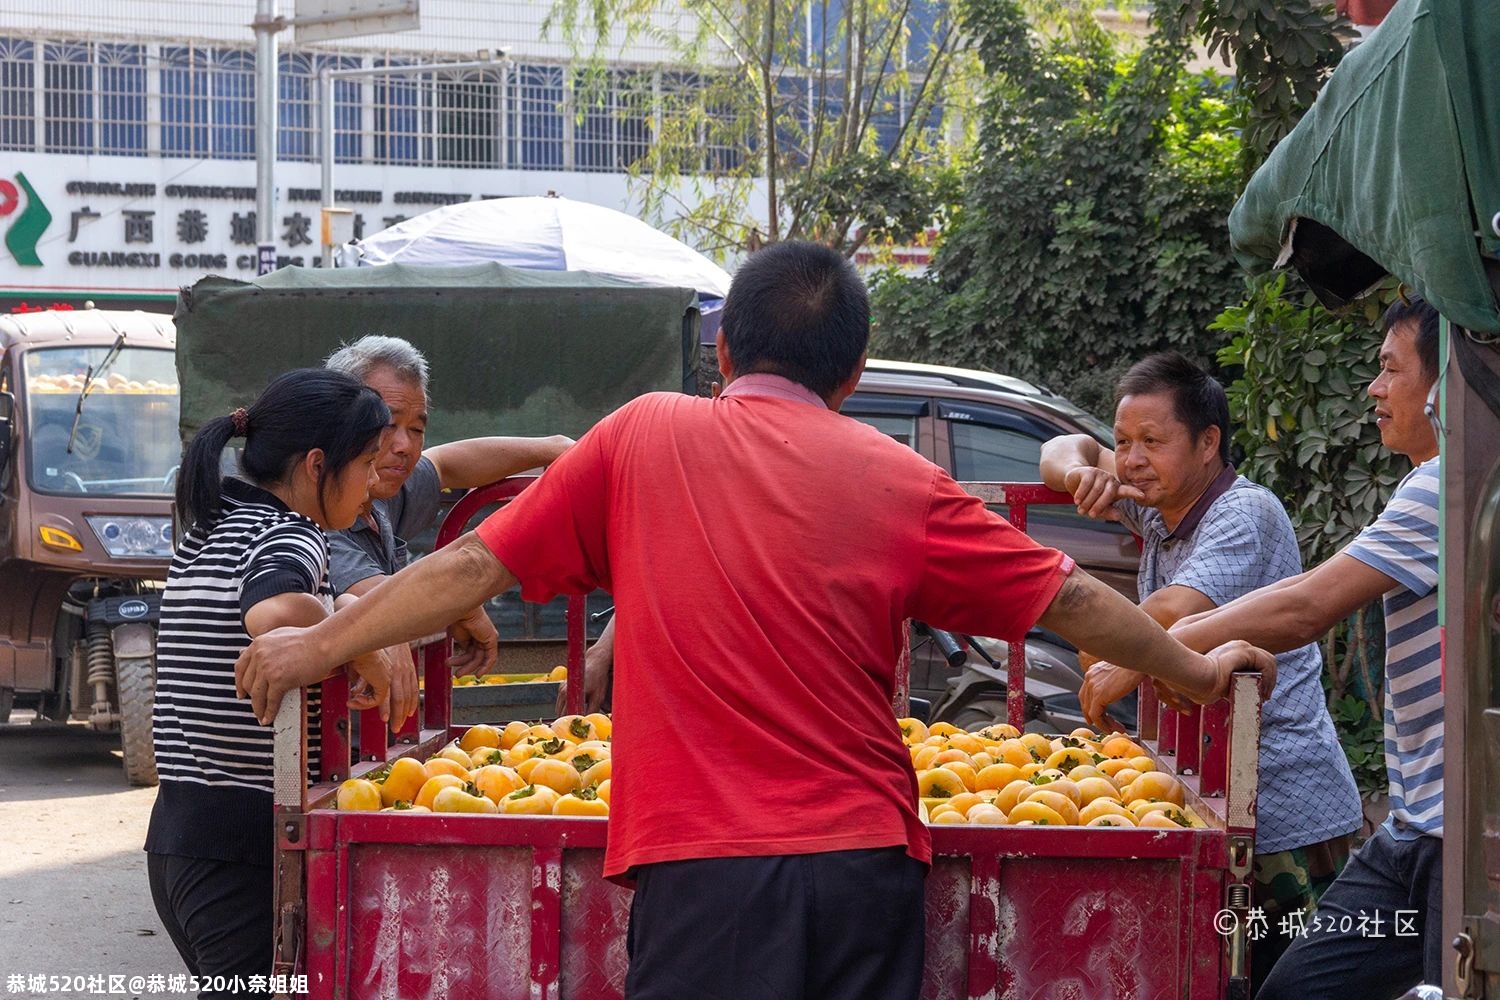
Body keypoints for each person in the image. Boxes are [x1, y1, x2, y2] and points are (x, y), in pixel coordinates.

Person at [234, 241, 1276, 1000]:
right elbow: (1073, 600)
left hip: (708, 877)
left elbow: (469, 564)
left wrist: (321, 641)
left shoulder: (642, 436)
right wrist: (1188, 672)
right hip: (868, 871)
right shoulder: (901, 479)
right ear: (854, 375)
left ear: (723, 350)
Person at [1039, 351, 1364, 991]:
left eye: (1150, 442)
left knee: (1297, 983)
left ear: (1208, 442)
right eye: (1123, 442)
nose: (1130, 460)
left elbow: (1165, 617)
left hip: (1281, 808)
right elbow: (1059, 448)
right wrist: (1083, 473)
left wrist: (1108, 653)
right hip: (1217, 793)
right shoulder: (1159, 504)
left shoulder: (1242, 515)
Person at [1168, 297, 1442, 999]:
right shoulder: (1426, 482)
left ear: (1445, 388)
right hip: (1412, 829)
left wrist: (1150, 652)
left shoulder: (1445, 489)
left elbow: (1304, 606)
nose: (1375, 390)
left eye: (1390, 370)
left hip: (1448, 837)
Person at [146, 369, 395, 995]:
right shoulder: (289, 534)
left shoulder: (213, 524)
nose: (373, 485)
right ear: (317, 465)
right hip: (243, 853)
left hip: (182, 837)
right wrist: (353, 637)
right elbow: (275, 612)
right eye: (366, 464)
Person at [323, 335, 575, 700]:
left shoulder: (376, 496)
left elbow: (445, 464)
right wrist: (465, 608)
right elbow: (382, 602)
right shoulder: (315, 517)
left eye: (417, 429)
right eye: (387, 425)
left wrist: (556, 448)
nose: (404, 446)